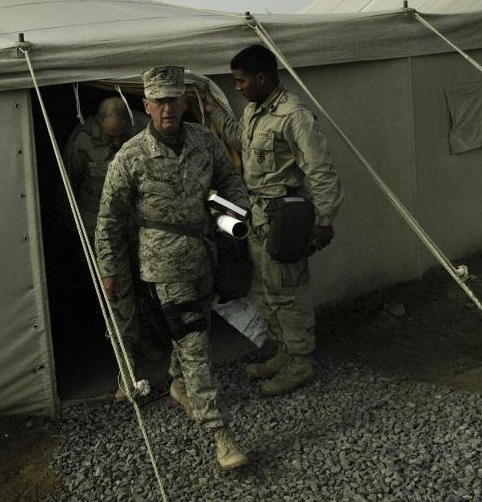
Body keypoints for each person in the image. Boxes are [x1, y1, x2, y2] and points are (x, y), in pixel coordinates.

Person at [95, 66, 251, 470]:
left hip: (205, 253)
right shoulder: (130, 157)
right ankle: (220, 434)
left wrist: (231, 222)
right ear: (146, 105)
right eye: (159, 101)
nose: (167, 109)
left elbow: (230, 182)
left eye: (174, 100)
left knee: (194, 334)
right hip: (164, 264)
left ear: (184, 101)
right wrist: (110, 270)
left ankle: (179, 385)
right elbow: (109, 220)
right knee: (196, 341)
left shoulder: (203, 141)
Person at [203, 44, 343, 397]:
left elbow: (322, 171)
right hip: (259, 219)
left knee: (288, 293)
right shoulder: (253, 111)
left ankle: (301, 362)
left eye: (241, 81)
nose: (237, 87)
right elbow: (241, 140)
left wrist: (324, 220)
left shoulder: (294, 115)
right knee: (265, 290)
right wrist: (216, 114)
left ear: (262, 77)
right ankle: (284, 352)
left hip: (286, 219)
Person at [60, 98, 165, 389]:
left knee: (146, 287)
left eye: (121, 136)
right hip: (101, 230)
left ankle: (143, 341)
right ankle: (127, 369)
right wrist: (77, 234)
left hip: (138, 226)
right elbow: (67, 189)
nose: (116, 143)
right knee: (117, 295)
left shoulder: (143, 130)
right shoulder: (81, 141)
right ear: (97, 125)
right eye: (110, 137)